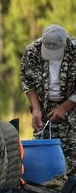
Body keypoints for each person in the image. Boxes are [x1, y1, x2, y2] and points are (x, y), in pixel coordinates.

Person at [21, 24, 76, 176]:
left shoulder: (74, 50)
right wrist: (36, 109)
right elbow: (27, 81)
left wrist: (64, 108)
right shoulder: (32, 51)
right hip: (44, 106)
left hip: (72, 107)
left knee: (72, 154)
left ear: (65, 44)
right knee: (43, 150)